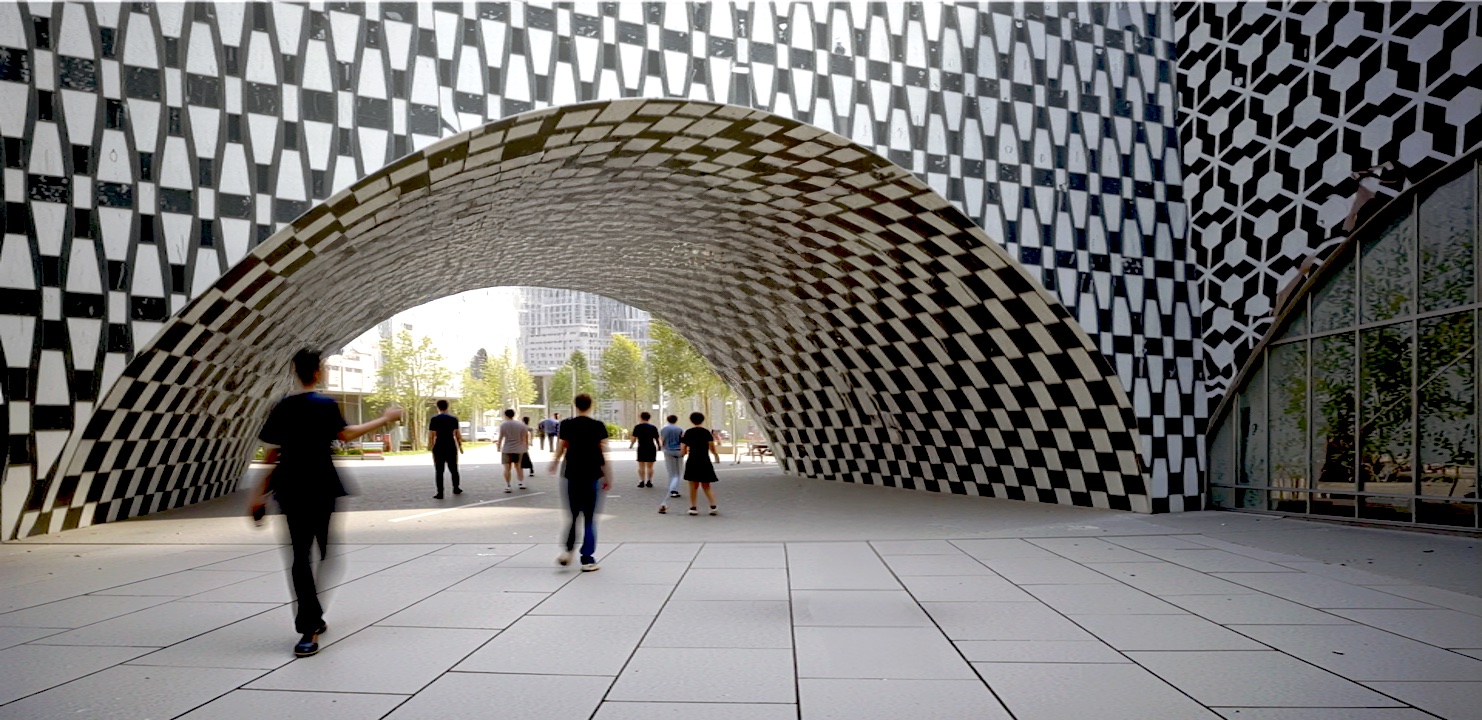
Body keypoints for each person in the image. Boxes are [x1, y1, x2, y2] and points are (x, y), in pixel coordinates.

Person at [250, 348, 402, 658]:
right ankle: (309, 624)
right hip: (322, 486)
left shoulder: (283, 407)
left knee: (299, 555)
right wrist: (385, 419)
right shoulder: (324, 405)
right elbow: (345, 435)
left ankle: (311, 618)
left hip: (289, 487)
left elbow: (273, 453)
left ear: (295, 371)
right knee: (326, 553)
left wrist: (257, 495)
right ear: (318, 371)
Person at [549, 394, 608, 571]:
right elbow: (603, 451)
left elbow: (562, 446)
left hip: (572, 473)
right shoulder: (598, 426)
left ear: (575, 405)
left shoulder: (567, 424)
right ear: (591, 405)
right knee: (589, 518)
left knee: (573, 515)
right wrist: (608, 475)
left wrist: (554, 462)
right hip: (593, 473)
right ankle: (587, 558)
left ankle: (567, 551)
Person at [681, 412, 721, 516]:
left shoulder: (688, 432)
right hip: (704, 460)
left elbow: (683, 448)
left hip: (692, 460)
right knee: (706, 485)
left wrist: (683, 454)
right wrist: (716, 455)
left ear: (691, 420)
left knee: (693, 486)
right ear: (702, 420)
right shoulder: (706, 432)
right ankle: (713, 506)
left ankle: (693, 507)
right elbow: (712, 447)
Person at [427, 400, 462, 499]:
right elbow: (457, 434)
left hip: (439, 445)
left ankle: (440, 492)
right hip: (450, 445)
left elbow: (432, 435)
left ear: (437, 407)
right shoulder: (453, 419)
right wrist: (459, 444)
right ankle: (456, 488)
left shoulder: (434, 419)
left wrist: (430, 445)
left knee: (439, 470)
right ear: (447, 407)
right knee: (453, 468)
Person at [657, 415, 685, 514]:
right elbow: (682, 440)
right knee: (678, 472)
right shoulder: (680, 429)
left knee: (672, 472)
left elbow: (662, 440)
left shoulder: (664, 429)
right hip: (678, 451)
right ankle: (675, 490)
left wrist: (662, 448)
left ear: (667, 420)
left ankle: (672, 489)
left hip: (668, 451)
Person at [497, 409, 529, 492]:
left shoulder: (503, 425)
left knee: (507, 468)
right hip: (519, 449)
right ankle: (521, 482)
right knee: (519, 467)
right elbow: (524, 437)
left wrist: (498, 446)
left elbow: (501, 437)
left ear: (505, 415)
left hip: (507, 449)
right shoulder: (521, 425)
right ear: (514, 415)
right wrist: (525, 447)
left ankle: (508, 485)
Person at [629, 412, 659, 488]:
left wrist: (631, 445)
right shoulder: (653, 427)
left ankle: (641, 481)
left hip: (641, 447)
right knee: (650, 467)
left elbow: (634, 438)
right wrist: (659, 446)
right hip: (651, 447)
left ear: (640, 417)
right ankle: (649, 481)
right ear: (649, 418)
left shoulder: (637, 427)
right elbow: (657, 438)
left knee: (641, 466)